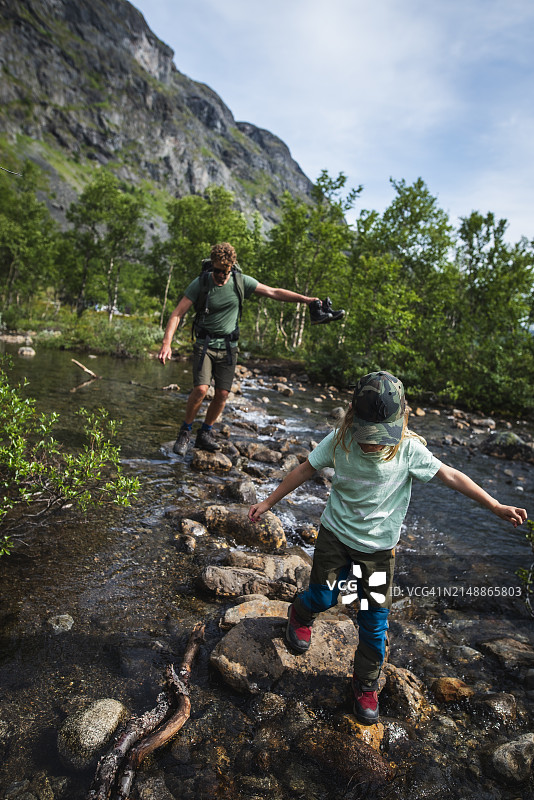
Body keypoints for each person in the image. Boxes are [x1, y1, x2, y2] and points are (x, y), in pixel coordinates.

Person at [248, 370, 527, 725]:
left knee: (373, 622)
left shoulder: (409, 449)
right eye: (368, 435)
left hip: (378, 554)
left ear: (399, 422)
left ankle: (364, 685)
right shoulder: (340, 439)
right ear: (353, 418)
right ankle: (301, 614)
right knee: (323, 598)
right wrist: (269, 501)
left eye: (381, 437)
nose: (374, 444)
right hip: (335, 538)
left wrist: (494, 505)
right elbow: (305, 470)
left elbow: (452, 475)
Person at [158, 242, 343, 455]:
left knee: (223, 393)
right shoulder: (201, 283)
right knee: (201, 389)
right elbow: (177, 313)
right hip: (205, 345)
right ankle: (185, 430)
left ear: (232, 266)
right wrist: (166, 343)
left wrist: (307, 300)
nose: (219, 275)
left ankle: (205, 432)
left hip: (228, 347)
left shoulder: (240, 281)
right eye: (216, 270)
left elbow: (273, 292)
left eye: (223, 271)